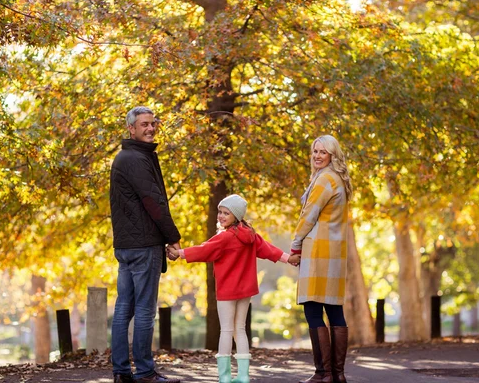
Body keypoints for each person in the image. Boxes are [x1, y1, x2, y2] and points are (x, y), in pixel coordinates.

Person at [168, 194, 301, 383]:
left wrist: (179, 253)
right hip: (245, 291)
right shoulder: (251, 235)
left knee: (226, 331)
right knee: (240, 329)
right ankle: (244, 376)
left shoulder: (225, 237)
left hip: (228, 291)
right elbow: (269, 250)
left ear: (236, 216)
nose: (221, 216)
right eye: (220, 212)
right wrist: (289, 258)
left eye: (226, 213)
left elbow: (203, 250)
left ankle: (225, 378)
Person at [109, 106, 182, 383]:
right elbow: (154, 202)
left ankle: (121, 372)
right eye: (144, 124)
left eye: (153, 123)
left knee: (123, 308)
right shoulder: (136, 159)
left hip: (126, 246)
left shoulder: (129, 157)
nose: (150, 128)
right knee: (144, 310)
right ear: (131, 128)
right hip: (142, 246)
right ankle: (145, 372)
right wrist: (171, 237)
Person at [290, 135, 353, 383]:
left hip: (318, 251)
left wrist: (295, 245)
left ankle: (323, 373)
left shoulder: (325, 179)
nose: (317, 156)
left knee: (313, 310)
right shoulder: (338, 179)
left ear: (332, 155)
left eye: (322, 152)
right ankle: (338, 374)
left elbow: (308, 215)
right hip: (336, 253)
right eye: (315, 151)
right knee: (334, 310)